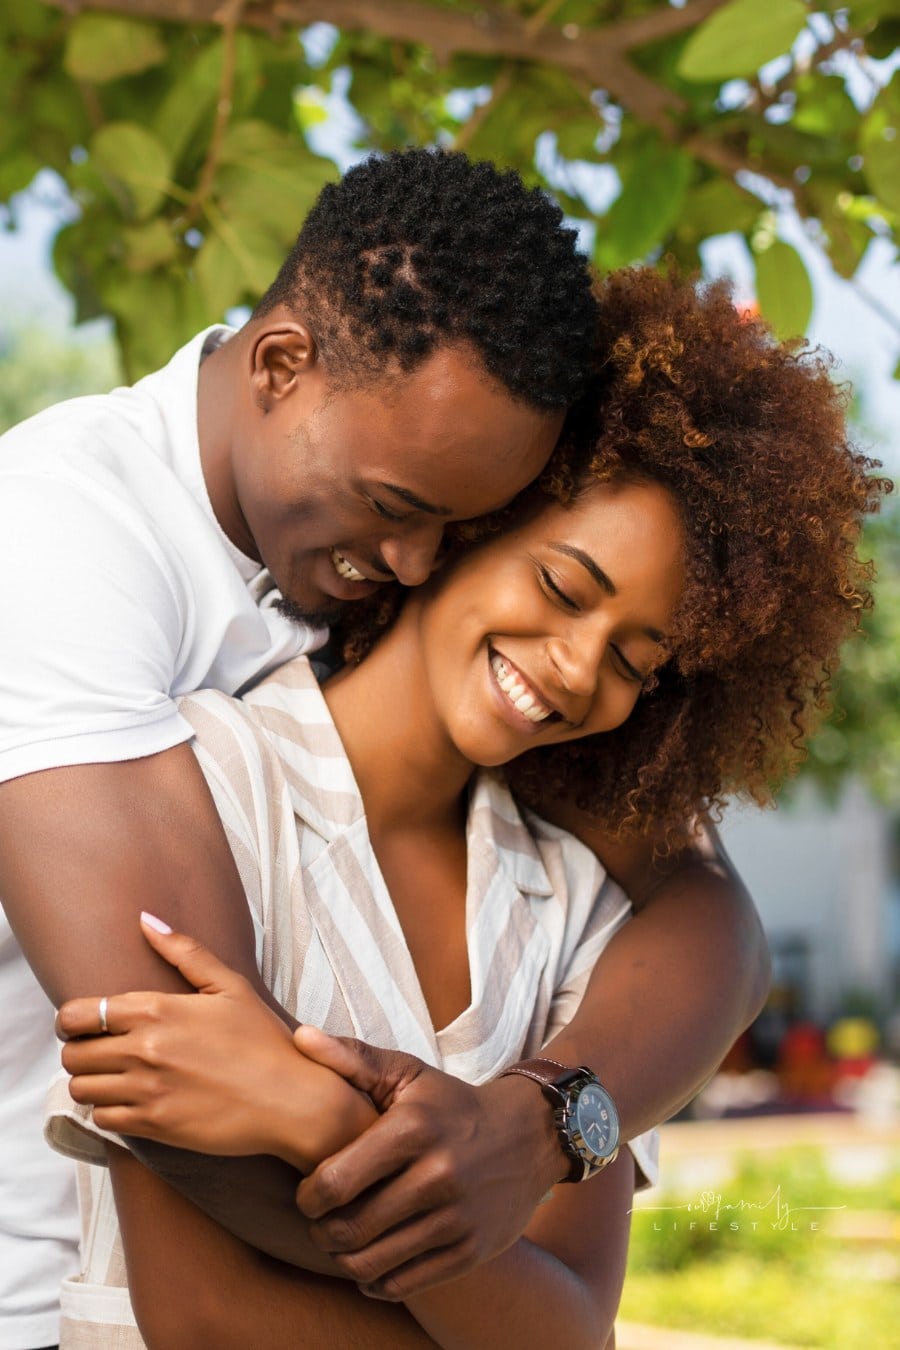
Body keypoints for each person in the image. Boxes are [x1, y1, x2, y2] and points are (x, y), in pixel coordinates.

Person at [0, 150, 765, 1350]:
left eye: (456, 523)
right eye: (399, 507)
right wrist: (453, 1204)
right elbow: (188, 1100)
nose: (411, 559)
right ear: (280, 366)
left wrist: (540, 1126)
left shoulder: (371, 537)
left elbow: (708, 913)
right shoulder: (62, 542)